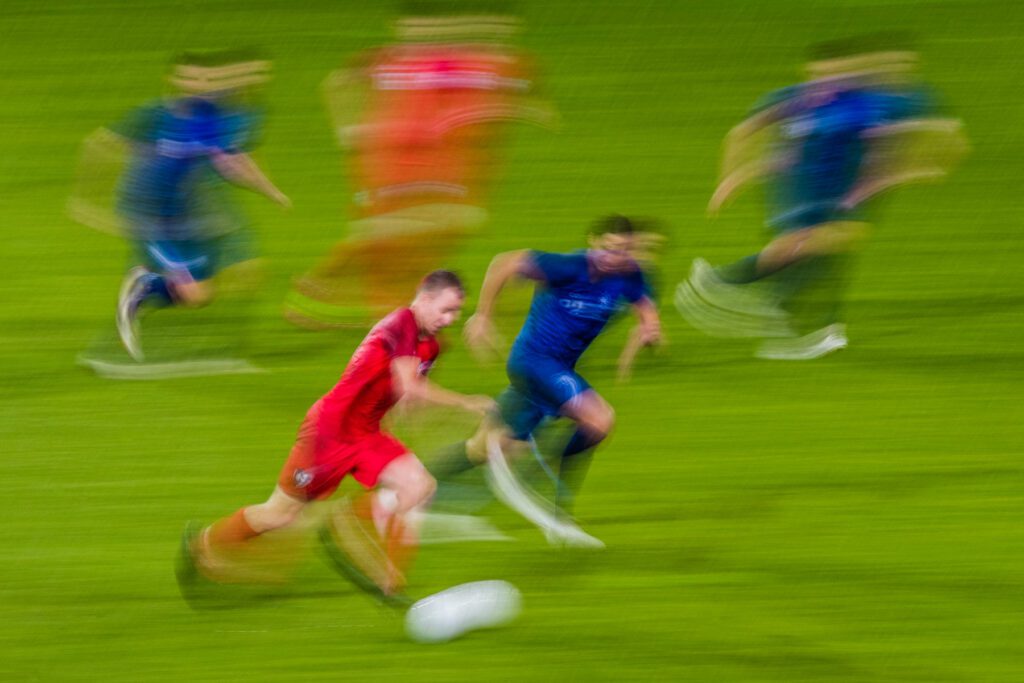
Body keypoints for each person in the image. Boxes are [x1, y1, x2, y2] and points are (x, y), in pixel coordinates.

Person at [177, 270, 493, 606]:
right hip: (328, 434)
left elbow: (403, 394)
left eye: (456, 312)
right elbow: (409, 385)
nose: (451, 319)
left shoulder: (430, 344)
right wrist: (467, 403)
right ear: (425, 298)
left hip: (366, 433)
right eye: (446, 310)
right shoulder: (402, 323)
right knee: (280, 514)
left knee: (420, 486)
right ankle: (202, 543)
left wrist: (407, 415)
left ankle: (389, 581)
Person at [675, 34, 967, 359]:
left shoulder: (869, 101)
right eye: (821, 74)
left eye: (837, 74)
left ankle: (793, 316)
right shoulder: (800, 99)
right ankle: (730, 285)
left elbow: (936, 134)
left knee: (823, 250)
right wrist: (735, 176)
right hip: (802, 191)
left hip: (842, 191)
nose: (828, 80)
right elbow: (746, 131)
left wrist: (906, 169)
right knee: (811, 247)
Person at [284, 0, 556, 328]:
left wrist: (522, 110)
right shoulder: (405, 60)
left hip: (455, 170)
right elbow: (340, 83)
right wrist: (353, 131)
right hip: (396, 165)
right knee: (397, 233)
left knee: (421, 235)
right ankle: (340, 299)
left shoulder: (498, 63)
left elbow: (516, 99)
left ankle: (353, 301)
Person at [430, 215, 662, 547]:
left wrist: (650, 326)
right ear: (594, 243)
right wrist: (483, 314)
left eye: (624, 250)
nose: (615, 257)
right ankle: (555, 507)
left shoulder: (631, 275)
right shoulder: (567, 267)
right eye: (609, 249)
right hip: (533, 361)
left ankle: (408, 490)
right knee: (599, 419)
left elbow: (643, 302)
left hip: (551, 373)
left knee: (483, 447)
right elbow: (506, 263)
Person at [72, 49, 290, 367]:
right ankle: (143, 285)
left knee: (205, 294)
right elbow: (99, 144)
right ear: (173, 80)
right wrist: (84, 198)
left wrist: (271, 191)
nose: (198, 85)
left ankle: (157, 286)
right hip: (148, 213)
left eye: (205, 79)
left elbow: (230, 161)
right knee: (194, 293)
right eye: (189, 78)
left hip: (188, 211)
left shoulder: (210, 118)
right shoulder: (154, 115)